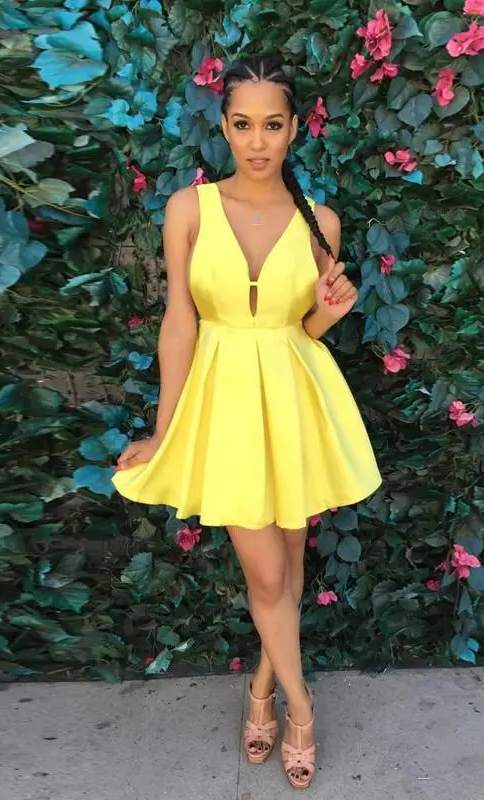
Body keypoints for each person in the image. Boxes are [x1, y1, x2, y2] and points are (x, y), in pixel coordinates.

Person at [112, 53, 382, 790]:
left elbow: (302, 330)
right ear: (224, 128)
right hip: (225, 407)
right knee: (266, 575)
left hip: (294, 402)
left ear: (295, 128)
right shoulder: (189, 209)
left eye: (272, 124)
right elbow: (180, 322)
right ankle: (300, 709)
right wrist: (165, 430)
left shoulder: (321, 223)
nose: (257, 142)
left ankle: (261, 687)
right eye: (242, 124)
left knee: (287, 572)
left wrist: (329, 315)